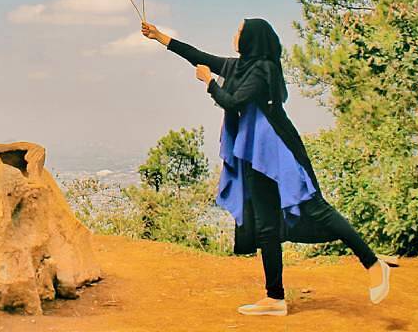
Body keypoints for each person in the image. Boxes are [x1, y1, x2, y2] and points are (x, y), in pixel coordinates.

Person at [142, 17, 391, 317]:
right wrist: (160, 37)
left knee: (316, 207)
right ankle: (275, 297)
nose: (235, 34)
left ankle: (373, 263)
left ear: (252, 38)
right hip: (252, 153)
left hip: (276, 151)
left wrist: (209, 82)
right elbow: (198, 56)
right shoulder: (240, 66)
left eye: (239, 31)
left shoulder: (263, 70)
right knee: (266, 225)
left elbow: (233, 102)